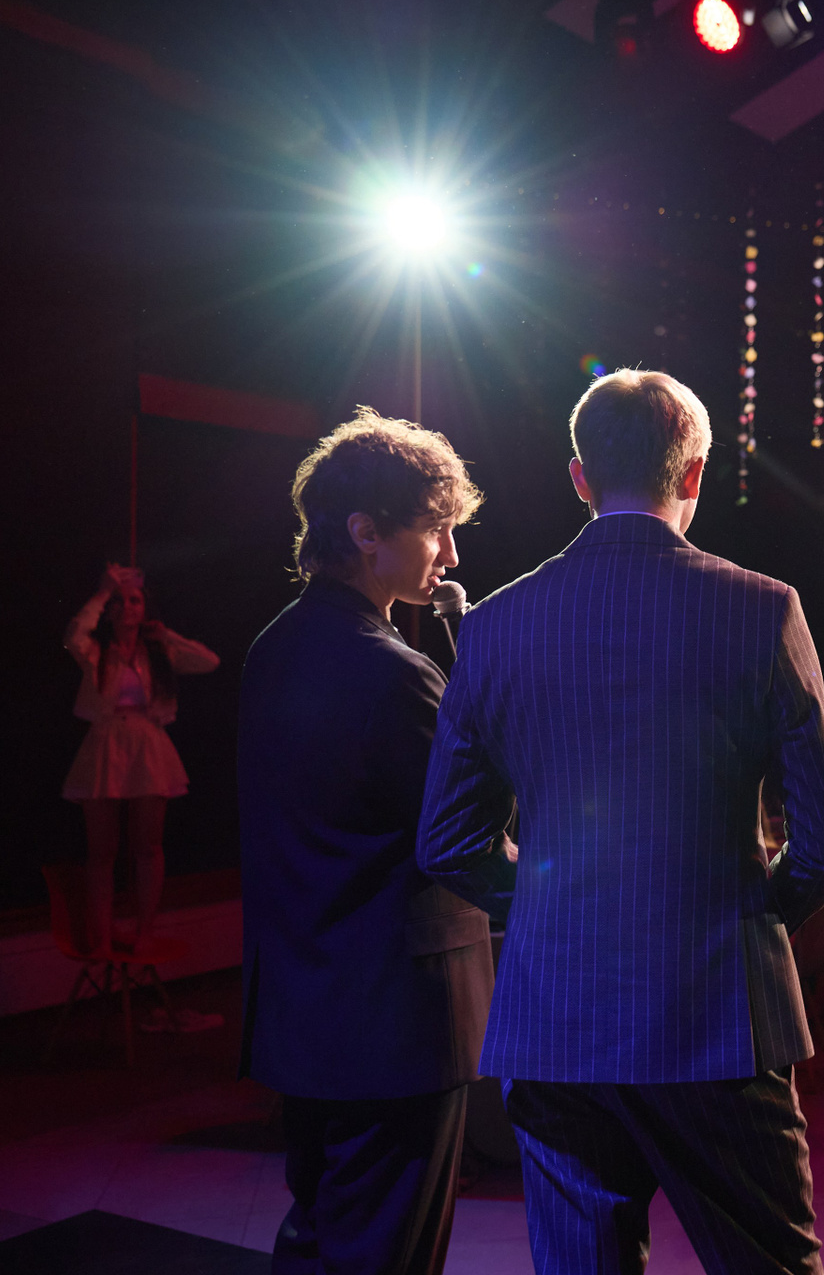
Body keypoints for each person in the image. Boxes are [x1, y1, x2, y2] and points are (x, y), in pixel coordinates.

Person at [417, 369, 824, 1275]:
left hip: (555, 1017)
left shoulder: (495, 625)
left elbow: (448, 842)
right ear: (694, 473)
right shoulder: (763, 608)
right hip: (718, 1013)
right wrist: (746, 917)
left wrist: (559, 909)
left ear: (579, 477)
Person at [238, 408, 509, 1275]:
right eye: (436, 530)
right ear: (365, 532)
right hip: (397, 1028)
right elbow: (464, 833)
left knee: (319, 1237)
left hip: (304, 1013)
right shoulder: (393, 673)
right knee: (388, 1255)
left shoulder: (272, 649)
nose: (450, 555)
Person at [63, 563, 220, 958]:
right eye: (119, 602)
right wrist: (102, 592)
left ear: (145, 608)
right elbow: (74, 637)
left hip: (148, 747)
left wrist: (164, 633)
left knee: (148, 847)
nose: (127, 607)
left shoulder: (158, 652)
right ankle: (101, 938)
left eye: (134, 600)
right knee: (101, 853)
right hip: (105, 745)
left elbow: (209, 661)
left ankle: (145, 931)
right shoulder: (98, 652)